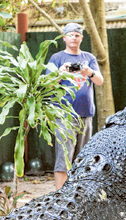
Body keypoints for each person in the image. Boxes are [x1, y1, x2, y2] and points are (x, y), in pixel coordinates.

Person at [47, 23, 104, 190]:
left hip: (85, 115)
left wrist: (89, 72)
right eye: (70, 35)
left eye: (77, 35)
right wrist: (60, 73)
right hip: (64, 116)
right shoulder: (57, 58)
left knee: (83, 159)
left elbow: (100, 81)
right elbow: (47, 85)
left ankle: (77, 196)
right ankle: (60, 198)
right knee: (63, 159)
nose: (74, 37)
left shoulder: (89, 58)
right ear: (64, 38)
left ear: (81, 38)